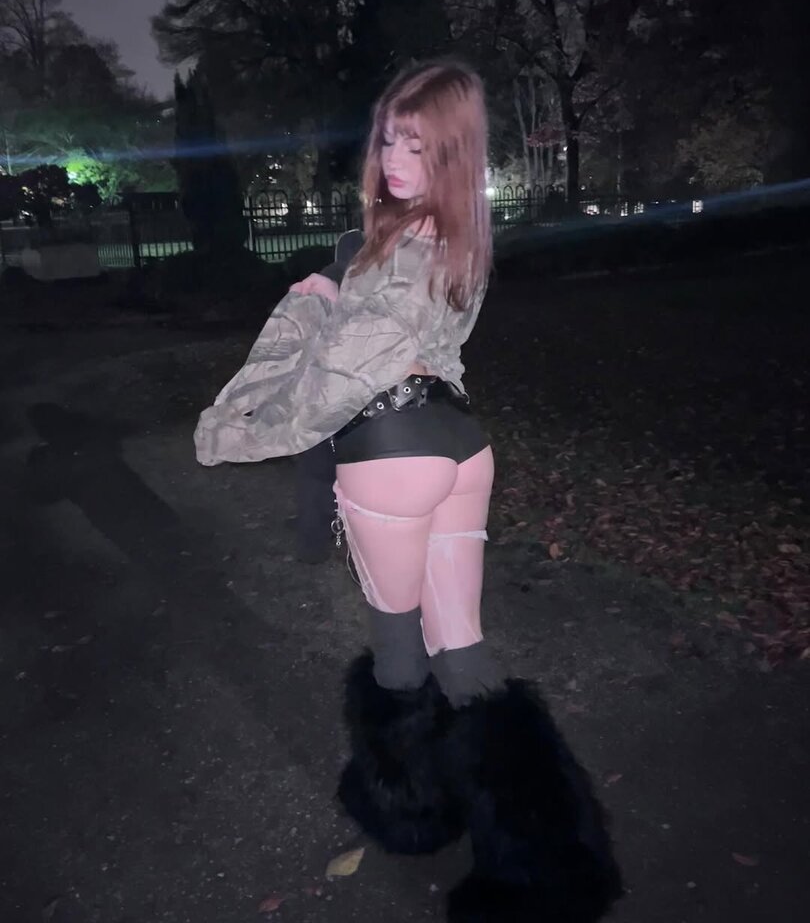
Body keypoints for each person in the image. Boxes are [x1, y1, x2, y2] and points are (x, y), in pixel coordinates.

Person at [194, 62, 623, 922]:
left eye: (417, 146)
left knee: (398, 651)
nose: (393, 158)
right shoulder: (458, 239)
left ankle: (411, 811)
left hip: (391, 452)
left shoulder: (396, 258)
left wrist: (234, 426)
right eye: (389, 138)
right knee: (462, 652)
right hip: (461, 448)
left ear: (451, 154)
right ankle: (549, 861)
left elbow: (329, 388)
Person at [291, 229, 364, 564]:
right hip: (345, 395)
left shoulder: (319, 282)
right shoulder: (370, 289)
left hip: (315, 393)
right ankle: (349, 540)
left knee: (315, 471)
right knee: (344, 469)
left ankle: (313, 541)